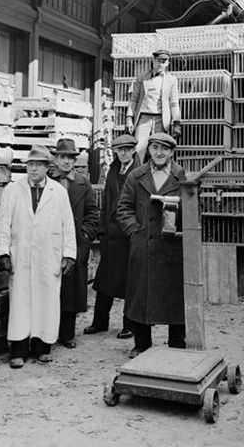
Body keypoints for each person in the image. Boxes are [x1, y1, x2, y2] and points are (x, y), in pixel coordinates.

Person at [0, 145, 76, 368]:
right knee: (21, 302)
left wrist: (69, 254)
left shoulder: (58, 192)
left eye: (38, 165)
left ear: (47, 168)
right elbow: (4, 223)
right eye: (30, 165)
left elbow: (68, 225)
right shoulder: (13, 190)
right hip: (21, 255)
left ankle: (42, 347)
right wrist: (4, 252)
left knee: (47, 301)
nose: (33, 169)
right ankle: (18, 350)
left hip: (48, 255)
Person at [115, 132, 186, 358]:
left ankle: (177, 343)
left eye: (164, 149)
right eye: (155, 148)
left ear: (172, 153)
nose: (159, 153)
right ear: (149, 151)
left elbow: (193, 209)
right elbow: (123, 208)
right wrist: (135, 231)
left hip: (171, 248)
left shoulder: (182, 177)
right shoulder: (136, 176)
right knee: (140, 297)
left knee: (175, 298)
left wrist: (181, 230)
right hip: (143, 247)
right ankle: (141, 343)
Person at [84, 134, 141, 338]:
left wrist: (134, 230)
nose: (123, 153)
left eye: (127, 149)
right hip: (111, 235)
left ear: (134, 150)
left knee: (130, 282)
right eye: (119, 150)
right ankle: (100, 322)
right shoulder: (113, 170)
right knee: (104, 280)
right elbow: (107, 201)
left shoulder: (139, 172)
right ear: (115, 152)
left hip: (128, 236)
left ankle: (130, 325)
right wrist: (103, 228)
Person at [49, 138, 99, 349]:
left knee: (71, 289)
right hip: (50, 241)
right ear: (56, 159)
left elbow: (92, 213)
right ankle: (49, 332)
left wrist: (85, 235)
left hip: (76, 243)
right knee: (51, 288)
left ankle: (68, 333)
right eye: (62, 157)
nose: (66, 162)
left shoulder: (82, 182)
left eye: (70, 158)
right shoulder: (48, 181)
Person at [125, 49, 181, 162]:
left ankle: (159, 176)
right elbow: (134, 99)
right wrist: (129, 118)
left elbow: (174, 103)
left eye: (164, 62)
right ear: (153, 61)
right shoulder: (141, 78)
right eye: (159, 61)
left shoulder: (172, 80)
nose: (161, 64)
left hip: (161, 119)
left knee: (159, 149)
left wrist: (177, 122)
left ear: (168, 63)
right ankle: (137, 176)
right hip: (143, 118)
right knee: (139, 148)